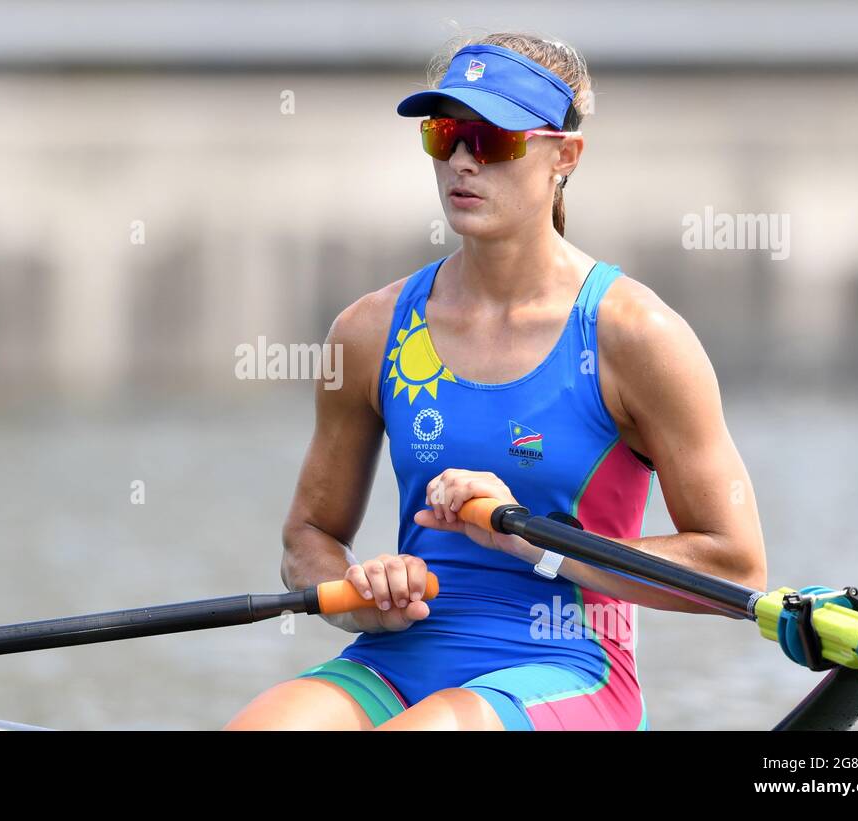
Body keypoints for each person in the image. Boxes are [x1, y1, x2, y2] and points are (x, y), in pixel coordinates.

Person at [226, 33, 766, 730]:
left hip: (568, 667)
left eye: (492, 139)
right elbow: (308, 533)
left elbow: (736, 569)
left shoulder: (637, 337)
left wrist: (535, 540)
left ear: (564, 156)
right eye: (445, 135)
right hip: (397, 660)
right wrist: (351, 595)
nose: (461, 160)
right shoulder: (368, 332)